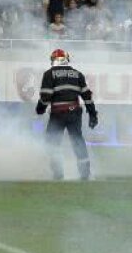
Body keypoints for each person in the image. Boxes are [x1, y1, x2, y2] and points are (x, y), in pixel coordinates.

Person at [35, 48, 98, 181]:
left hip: (57, 114)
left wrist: (40, 109)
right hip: (74, 113)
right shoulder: (77, 74)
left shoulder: (49, 74)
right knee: (78, 142)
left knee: (52, 143)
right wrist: (93, 115)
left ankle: (58, 173)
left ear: (54, 60)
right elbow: (87, 96)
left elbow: (45, 96)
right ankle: (85, 173)